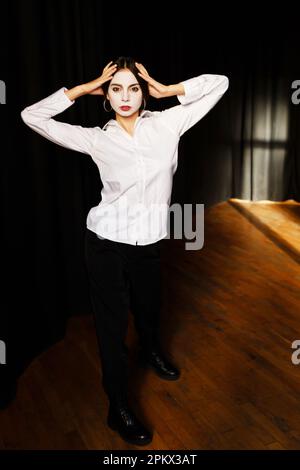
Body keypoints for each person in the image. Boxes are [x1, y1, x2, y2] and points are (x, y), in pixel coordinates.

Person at [20, 56, 229, 446]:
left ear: (144, 91)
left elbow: (220, 82)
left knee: (150, 306)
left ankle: (151, 349)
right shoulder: (97, 138)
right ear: (107, 96)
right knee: (112, 329)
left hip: (149, 240)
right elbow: (32, 116)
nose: (125, 97)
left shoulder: (169, 123)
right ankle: (117, 407)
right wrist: (81, 89)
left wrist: (170, 90)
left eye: (133, 87)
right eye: (116, 89)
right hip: (105, 243)